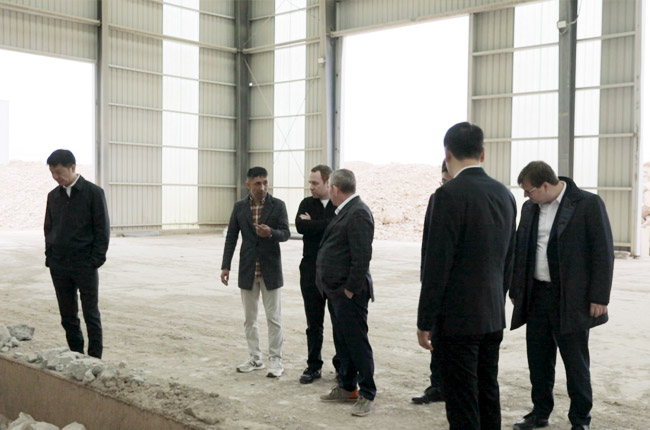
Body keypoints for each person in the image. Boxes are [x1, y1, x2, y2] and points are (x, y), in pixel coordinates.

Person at [417, 122, 516, 430]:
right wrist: (496, 301)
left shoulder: (446, 196)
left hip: (457, 321)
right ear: (482, 153)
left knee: (462, 403)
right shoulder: (505, 195)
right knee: (488, 393)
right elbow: (508, 260)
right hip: (492, 316)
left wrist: (425, 321)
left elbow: (436, 266)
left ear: (447, 154)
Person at [510, 161, 614, 430]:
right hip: (537, 296)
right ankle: (540, 412)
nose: (526, 196)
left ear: (545, 185)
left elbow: (603, 252)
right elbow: (521, 249)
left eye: (529, 190)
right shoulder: (530, 208)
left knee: (575, 362)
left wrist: (599, 297)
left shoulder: (587, 204)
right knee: (539, 360)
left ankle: (580, 419)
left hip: (571, 299)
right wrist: (516, 288)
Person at [316, 168, 376, 417]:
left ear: (335, 189)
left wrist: (350, 289)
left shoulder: (358, 212)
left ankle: (367, 393)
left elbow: (362, 257)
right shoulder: (346, 211)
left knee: (357, 343)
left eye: (329, 187)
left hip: (349, 293)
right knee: (343, 342)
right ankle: (347, 386)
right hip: (336, 292)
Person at [220, 166, 290, 378]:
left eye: (265, 182)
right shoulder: (239, 207)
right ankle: (255, 358)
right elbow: (231, 237)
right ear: (248, 184)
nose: (262, 187)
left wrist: (271, 233)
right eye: (258, 183)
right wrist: (225, 266)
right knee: (250, 319)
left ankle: (276, 360)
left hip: (270, 270)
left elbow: (286, 233)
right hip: (248, 270)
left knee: (274, 318)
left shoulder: (278, 205)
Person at [44, 149, 110, 359]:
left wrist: (95, 260)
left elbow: (102, 229)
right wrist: (50, 256)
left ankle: (95, 359)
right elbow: (48, 228)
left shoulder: (93, 193)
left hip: (85, 264)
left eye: (59, 172)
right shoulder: (53, 196)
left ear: (72, 167)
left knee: (91, 314)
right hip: (59, 265)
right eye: (52, 173)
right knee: (67, 315)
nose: (56, 177)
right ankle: (76, 355)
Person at [412, 161, 452, 405]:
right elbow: (428, 243)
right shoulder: (436, 199)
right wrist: (425, 275)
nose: (444, 186)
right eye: (442, 181)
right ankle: (437, 385)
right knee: (436, 339)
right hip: (438, 286)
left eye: (448, 181)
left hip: (462, 290)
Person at [295, 164, 340, 384]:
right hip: (310, 271)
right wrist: (324, 225)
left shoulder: (337, 204)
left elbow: (336, 228)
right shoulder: (306, 203)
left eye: (315, 183)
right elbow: (300, 227)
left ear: (327, 182)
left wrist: (313, 223)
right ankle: (314, 366)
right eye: (310, 183)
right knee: (314, 323)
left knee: (339, 322)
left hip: (333, 273)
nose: (311, 187)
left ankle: (342, 366)